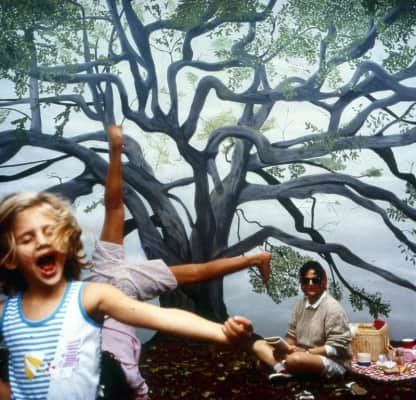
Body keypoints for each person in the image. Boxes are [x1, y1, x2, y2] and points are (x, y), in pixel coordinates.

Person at [0, 191, 254, 399]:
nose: (42, 242)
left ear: (67, 241)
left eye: (49, 232)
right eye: (27, 239)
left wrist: (221, 332)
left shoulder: (92, 295)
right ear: (10, 259)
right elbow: (114, 208)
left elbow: (163, 317)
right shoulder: (5, 313)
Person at [86, 124, 271, 399]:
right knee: (197, 272)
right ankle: (256, 258)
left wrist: (115, 150)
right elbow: (114, 206)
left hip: (114, 280)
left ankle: (256, 258)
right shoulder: (93, 284)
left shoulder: (97, 273)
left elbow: (114, 205)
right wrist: (115, 150)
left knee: (197, 272)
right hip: (118, 285)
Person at [251, 260, 352, 380]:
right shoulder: (300, 305)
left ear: (322, 282)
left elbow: (335, 349)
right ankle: (282, 369)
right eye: (306, 280)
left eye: (315, 280)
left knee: (295, 359)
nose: (310, 284)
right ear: (302, 284)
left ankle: (282, 366)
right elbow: (291, 337)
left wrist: (306, 352)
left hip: (332, 361)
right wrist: (282, 349)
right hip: (301, 354)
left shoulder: (333, 307)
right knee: (259, 345)